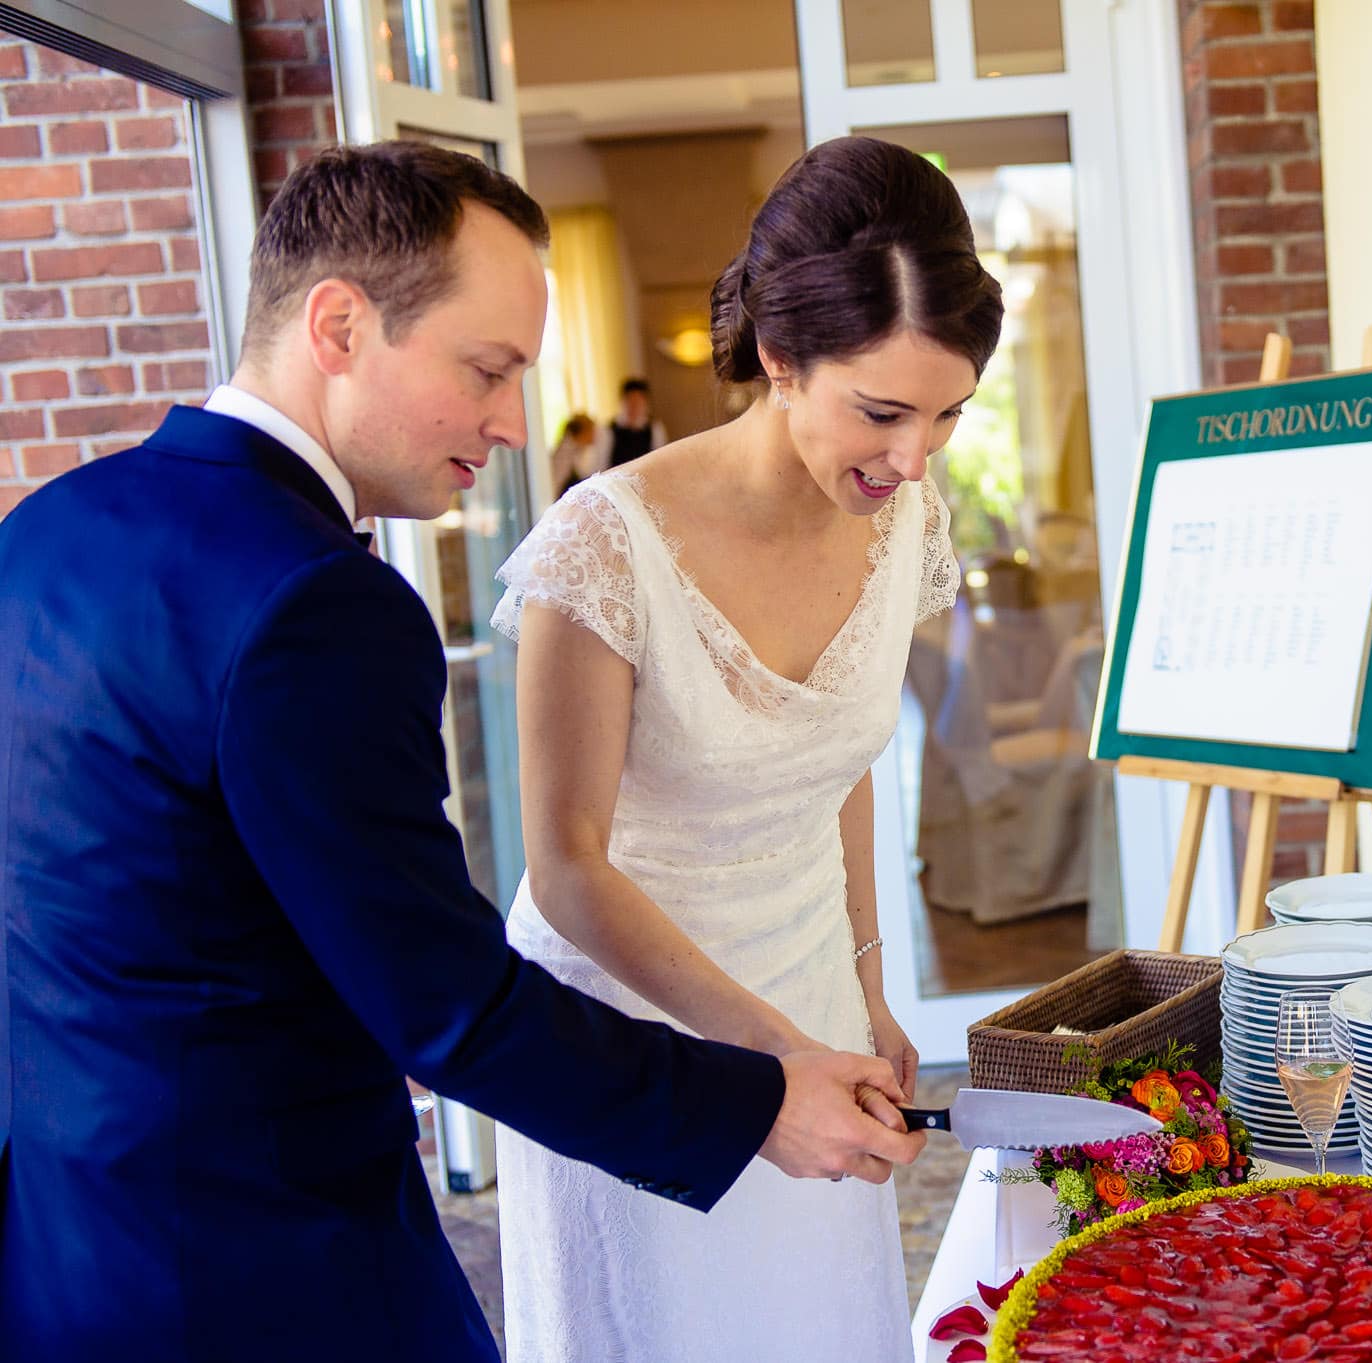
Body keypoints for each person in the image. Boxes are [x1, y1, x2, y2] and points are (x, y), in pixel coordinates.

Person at [0, 142, 924, 1363]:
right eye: (486, 370)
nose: (508, 421)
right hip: (269, 1264)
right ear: (338, 326)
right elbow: (445, 1005)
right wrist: (755, 1102)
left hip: (63, 1245)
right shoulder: (318, 604)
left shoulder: (46, 528)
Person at [492, 135, 1002, 1362]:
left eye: (945, 416)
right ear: (780, 357)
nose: (912, 457)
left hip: (810, 983)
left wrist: (869, 989)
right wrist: (774, 1062)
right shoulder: (599, 549)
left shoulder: (905, 519)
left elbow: (837, 764)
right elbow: (567, 866)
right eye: (880, 411)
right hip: (629, 1023)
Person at [592, 376, 667, 469]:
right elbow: (600, 466)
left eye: (638, 401)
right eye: (630, 401)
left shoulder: (654, 428)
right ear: (622, 401)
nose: (634, 406)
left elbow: (659, 461)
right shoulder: (608, 431)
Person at [550, 410, 596, 498]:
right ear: (583, 432)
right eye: (591, 431)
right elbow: (556, 485)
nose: (594, 435)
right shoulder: (564, 455)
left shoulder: (579, 451)